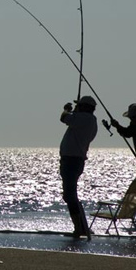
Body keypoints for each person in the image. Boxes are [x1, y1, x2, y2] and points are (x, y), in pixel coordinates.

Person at [59, 95, 98, 238]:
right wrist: (75, 111)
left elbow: (63, 118)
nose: (77, 107)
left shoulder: (83, 119)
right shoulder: (90, 121)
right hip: (75, 160)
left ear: (84, 107)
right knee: (70, 195)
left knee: (70, 195)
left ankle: (79, 228)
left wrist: (67, 109)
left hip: (71, 161)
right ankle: (81, 226)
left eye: (79, 106)